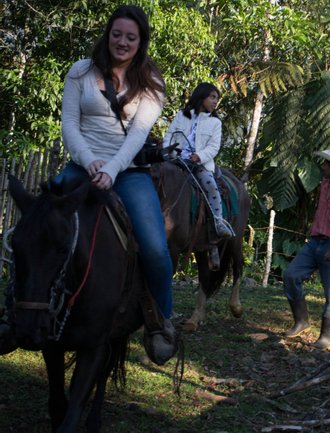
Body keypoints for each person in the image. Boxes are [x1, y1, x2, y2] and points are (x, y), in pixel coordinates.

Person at [0, 5, 176, 363]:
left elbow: (138, 135)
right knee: (32, 229)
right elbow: (69, 125)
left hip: (127, 173)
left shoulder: (152, 83)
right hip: (81, 166)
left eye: (131, 37)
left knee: (156, 248)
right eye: (117, 34)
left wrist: (111, 169)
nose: (122, 42)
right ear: (107, 34)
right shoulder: (80, 71)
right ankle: (11, 313)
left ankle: (160, 322)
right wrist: (88, 160)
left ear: (140, 41)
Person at [282, 144, 330, 350]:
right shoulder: (324, 184)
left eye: (326, 163)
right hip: (315, 242)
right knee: (291, 275)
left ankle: (326, 336)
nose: (323, 166)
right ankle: (302, 320)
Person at [161, 82, 234, 257]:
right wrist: (168, 152)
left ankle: (218, 221)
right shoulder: (181, 116)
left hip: (198, 164)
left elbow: (214, 147)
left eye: (217, 98)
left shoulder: (215, 123)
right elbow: (169, 136)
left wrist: (199, 156)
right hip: (176, 160)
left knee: (209, 184)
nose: (215, 101)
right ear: (201, 96)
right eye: (212, 97)